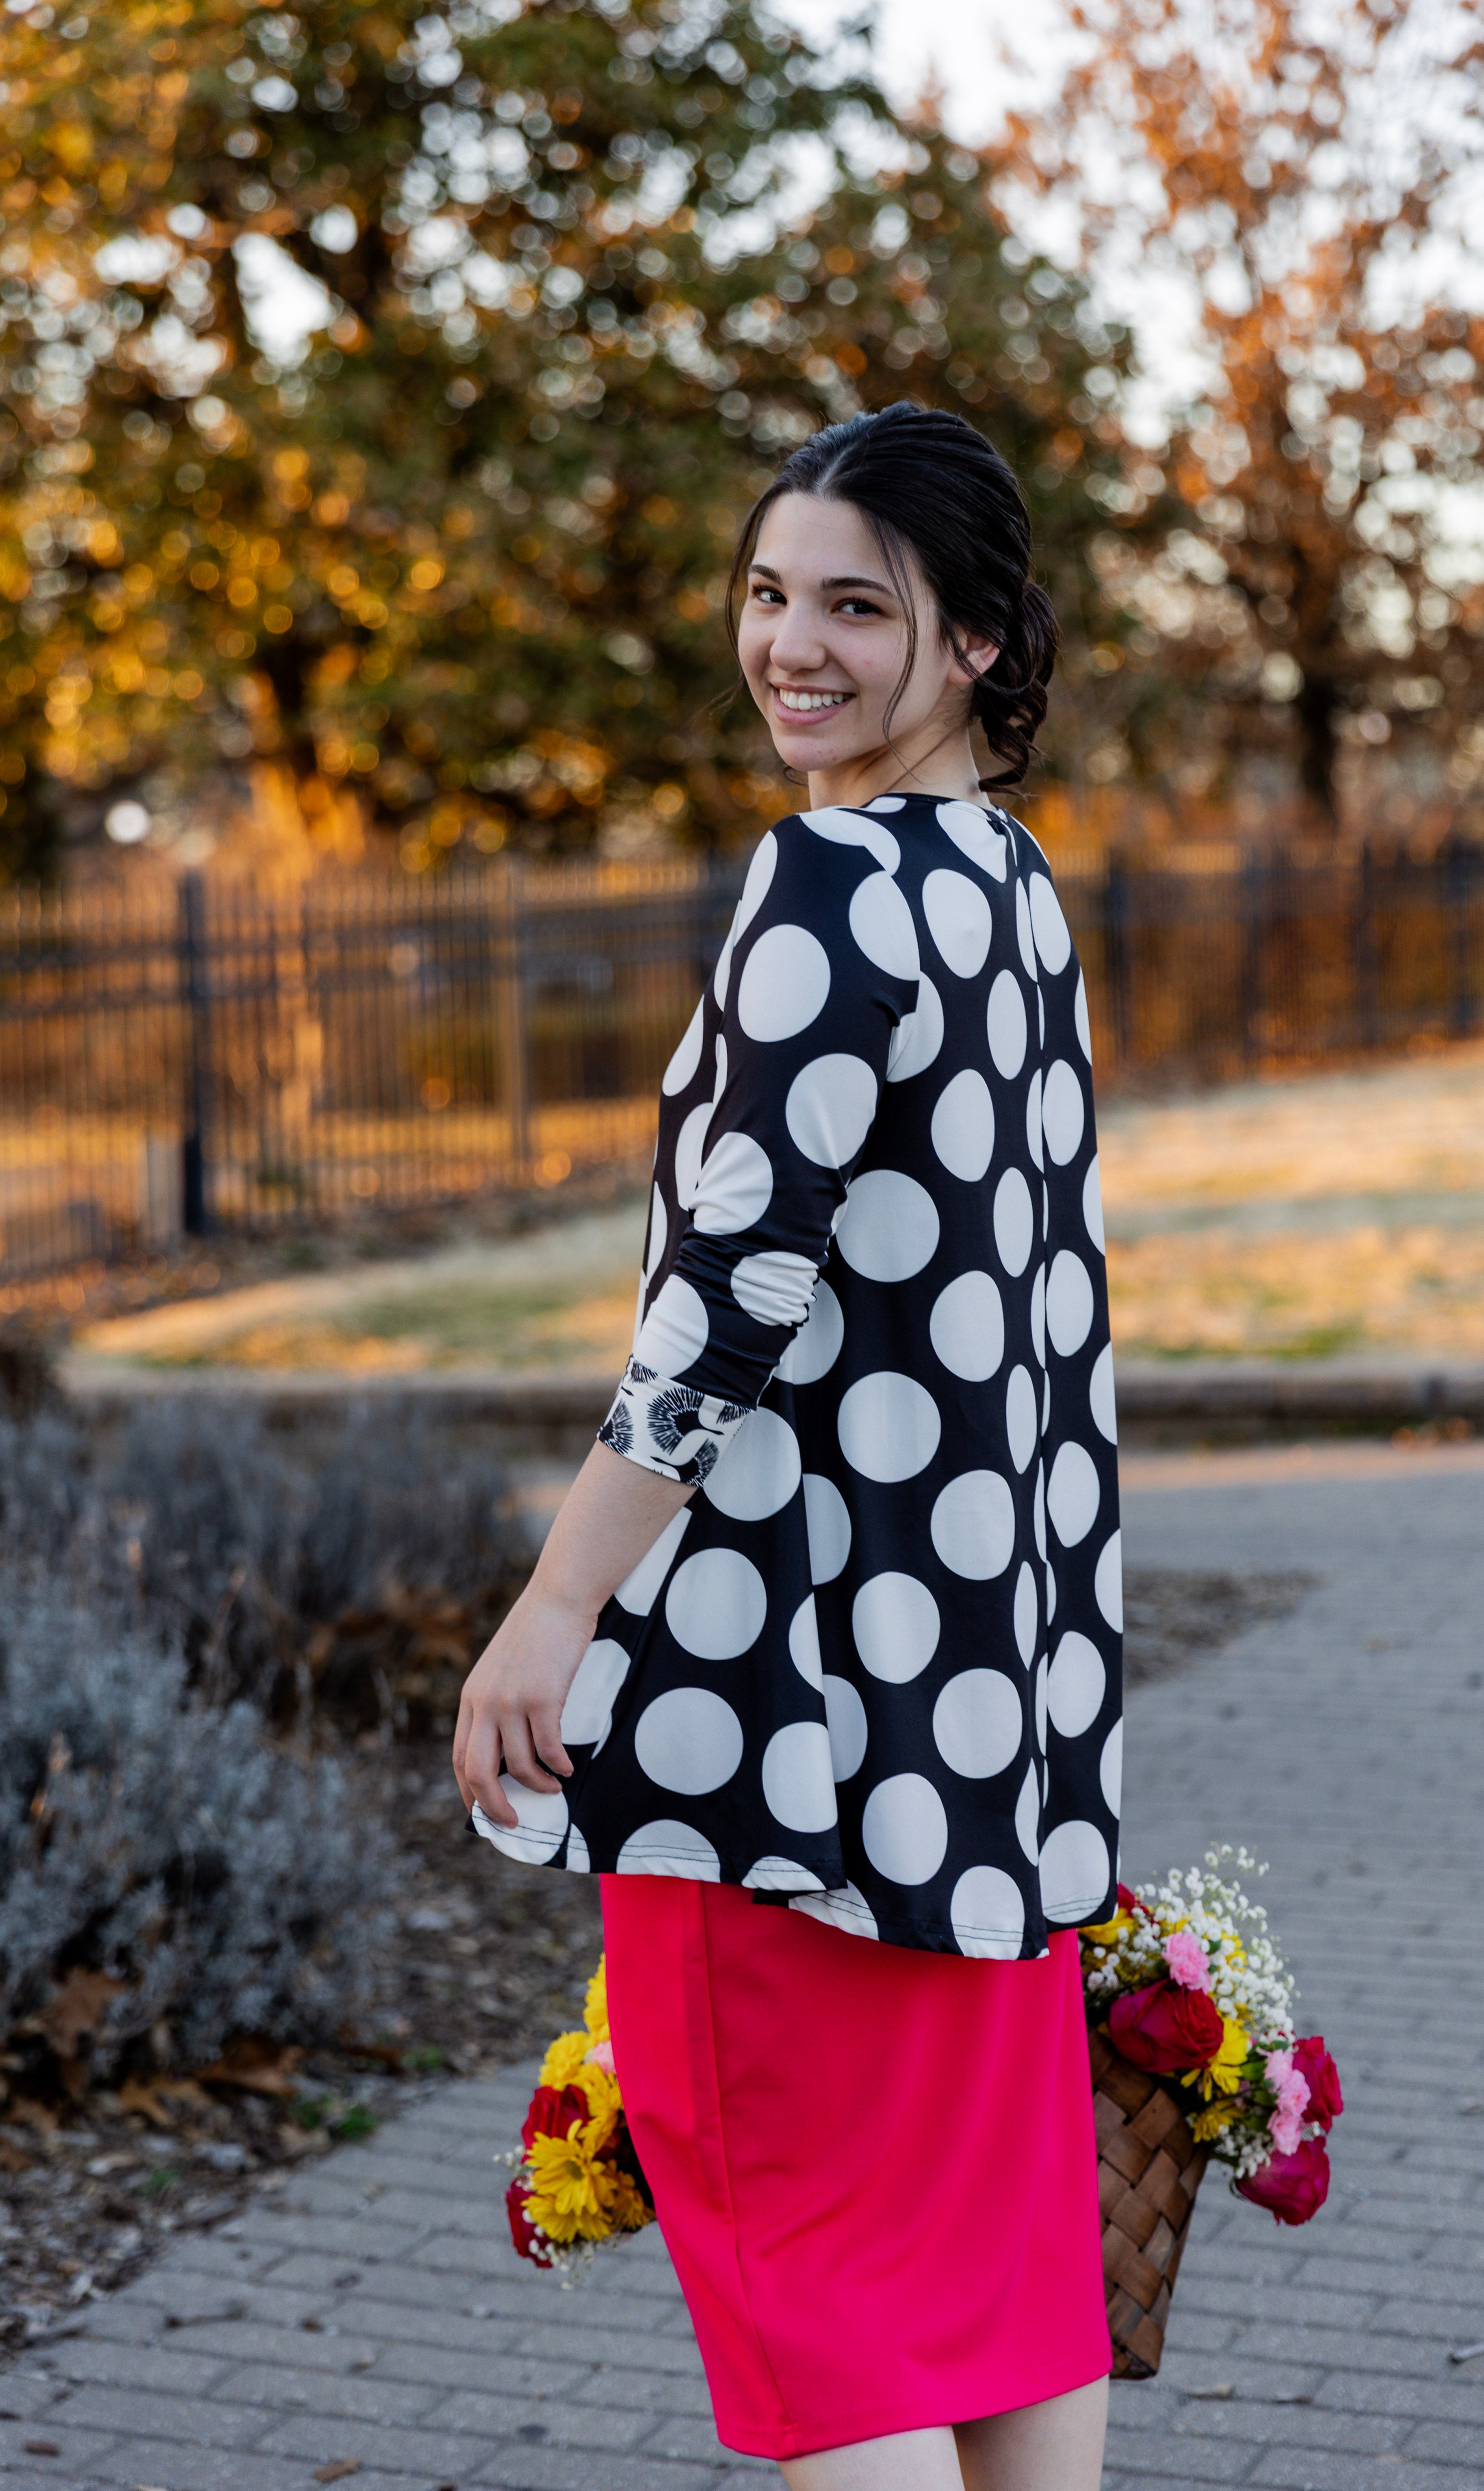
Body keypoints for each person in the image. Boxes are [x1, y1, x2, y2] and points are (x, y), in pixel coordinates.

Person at [454, 400, 1123, 2490]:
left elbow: (730, 1302)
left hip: (788, 1745)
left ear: (984, 649)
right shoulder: (1008, 895)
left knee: (831, 2326)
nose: (792, 647)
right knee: (1006, 2307)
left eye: (858, 605)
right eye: (770, 594)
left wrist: (557, 1606)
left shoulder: (825, 888)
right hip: (980, 1749)